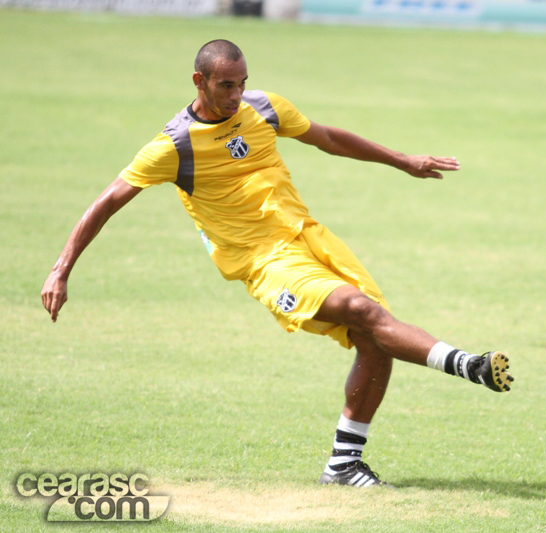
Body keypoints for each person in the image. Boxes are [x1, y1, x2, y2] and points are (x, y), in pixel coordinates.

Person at [41, 39, 513, 488]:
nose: (237, 94)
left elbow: (327, 137)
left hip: (309, 239)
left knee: (375, 339)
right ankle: (466, 364)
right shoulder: (174, 147)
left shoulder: (264, 108)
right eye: (226, 85)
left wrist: (402, 159)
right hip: (265, 264)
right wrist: (61, 270)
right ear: (198, 80)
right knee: (364, 313)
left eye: (242, 82)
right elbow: (107, 201)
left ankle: (344, 466)